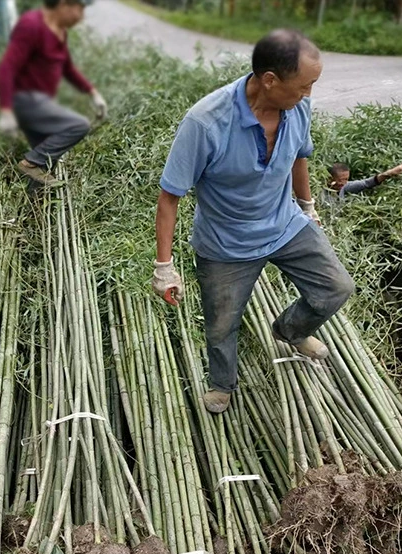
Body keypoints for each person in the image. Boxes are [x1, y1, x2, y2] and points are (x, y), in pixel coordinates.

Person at [152, 29, 354, 415]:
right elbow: (170, 196)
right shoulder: (206, 123)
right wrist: (164, 267)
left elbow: (299, 156)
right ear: (270, 80)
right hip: (226, 245)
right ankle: (222, 384)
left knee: (336, 288)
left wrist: (307, 206)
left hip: (284, 224)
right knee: (221, 326)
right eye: (303, 86)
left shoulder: (297, 108)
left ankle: (290, 331)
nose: (309, 94)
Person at [0, 0, 107, 188]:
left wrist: (93, 92)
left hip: (41, 103)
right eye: (79, 10)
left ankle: (34, 210)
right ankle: (30, 162)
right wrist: (6, 110)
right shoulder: (32, 25)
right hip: (25, 99)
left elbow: (68, 68)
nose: (80, 18)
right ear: (64, 4)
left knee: (46, 163)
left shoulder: (60, 31)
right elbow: (7, 68)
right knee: (78, 125)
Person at [321, 161, 402, 206]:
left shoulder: (343, 187)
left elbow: (366, 183)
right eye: (340, 180)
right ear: (329, 178)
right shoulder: (319, 193)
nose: (344, 183)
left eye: (346, 179)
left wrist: (389, 173)